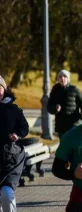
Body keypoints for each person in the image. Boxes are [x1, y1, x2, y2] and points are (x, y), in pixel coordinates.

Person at [0, 76, 29, 212]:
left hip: (11, 158)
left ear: (4, 90)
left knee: (6, 194)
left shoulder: (13, 109)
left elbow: (24, 127)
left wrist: (17, 135)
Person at [47, 70, 82, 138]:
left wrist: (81, 118)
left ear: (68, 79)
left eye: (65, 76)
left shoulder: (74, 90)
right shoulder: (55, 91)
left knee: (73, 145)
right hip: (61, 126)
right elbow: (49, 107)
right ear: (58, 79)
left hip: (73, 125)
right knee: (64, 146)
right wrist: (55, 108)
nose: (62, 78)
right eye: (60, 77)